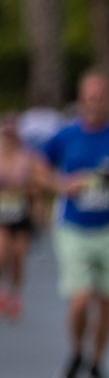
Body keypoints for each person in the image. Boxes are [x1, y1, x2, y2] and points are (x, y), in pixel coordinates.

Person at [34, 70, 109, 378]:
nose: (95, 104)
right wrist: (62, 184)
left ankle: (97, 362)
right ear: (81, 100)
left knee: (108, 301)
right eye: (90, 98)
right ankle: (76, 353)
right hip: (74, 228)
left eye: (101, 98)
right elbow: (39, 170)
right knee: (81, 299)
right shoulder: (65, 136)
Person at [0, 117, 37, 320]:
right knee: (1, 252)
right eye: (6, 135)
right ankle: (2, 290)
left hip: (21, 213)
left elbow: (35, 184)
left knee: (18, 256)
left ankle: (14, 294)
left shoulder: (26, 158)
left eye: (12, 135)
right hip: (2, 214)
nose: (8, 139)